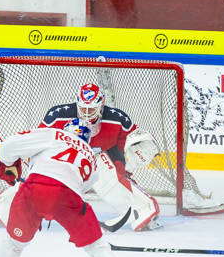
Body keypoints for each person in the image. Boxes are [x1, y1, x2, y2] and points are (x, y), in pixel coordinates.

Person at [0, 120, 142, 257]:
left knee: (14, 241)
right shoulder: (91, 156)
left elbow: (7, 147)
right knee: (96, 245)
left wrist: (10, 164)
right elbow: (82, 185)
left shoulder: (53, 134)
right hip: (68, 196)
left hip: (33, 189)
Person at [38, 83, 162, 232]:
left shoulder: (117, 118)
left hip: (95, 162)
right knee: (40, 186)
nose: (87, 113)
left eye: (92, 109)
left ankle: (143, 208)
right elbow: (38, 141)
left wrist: (124, 166)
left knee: (104, 169)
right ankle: (6, 206)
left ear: (101, 105)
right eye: (83, 108)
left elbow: (134, 140)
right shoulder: (57, 115)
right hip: (65, 164)